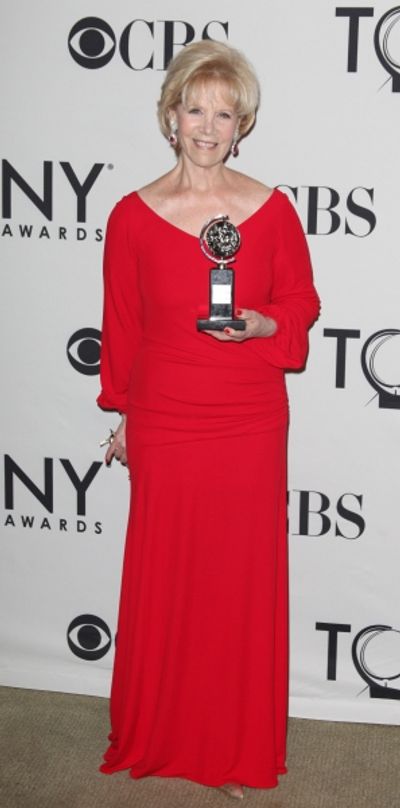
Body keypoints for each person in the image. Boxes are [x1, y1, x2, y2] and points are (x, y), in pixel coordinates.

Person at [97, 39, 320, 800]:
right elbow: (121, 324)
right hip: (165, 418)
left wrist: (263, 328)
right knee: (168, 578)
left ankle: (232, 743)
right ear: (169, 115)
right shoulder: (130, 216)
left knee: (238, 584)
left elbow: (301, 303)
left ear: (242, 124)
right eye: (195, 108)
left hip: (249, 419)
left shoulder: (271, 209)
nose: (207, 125)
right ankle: (161, 735)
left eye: (224, 112)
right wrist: (122, 414)